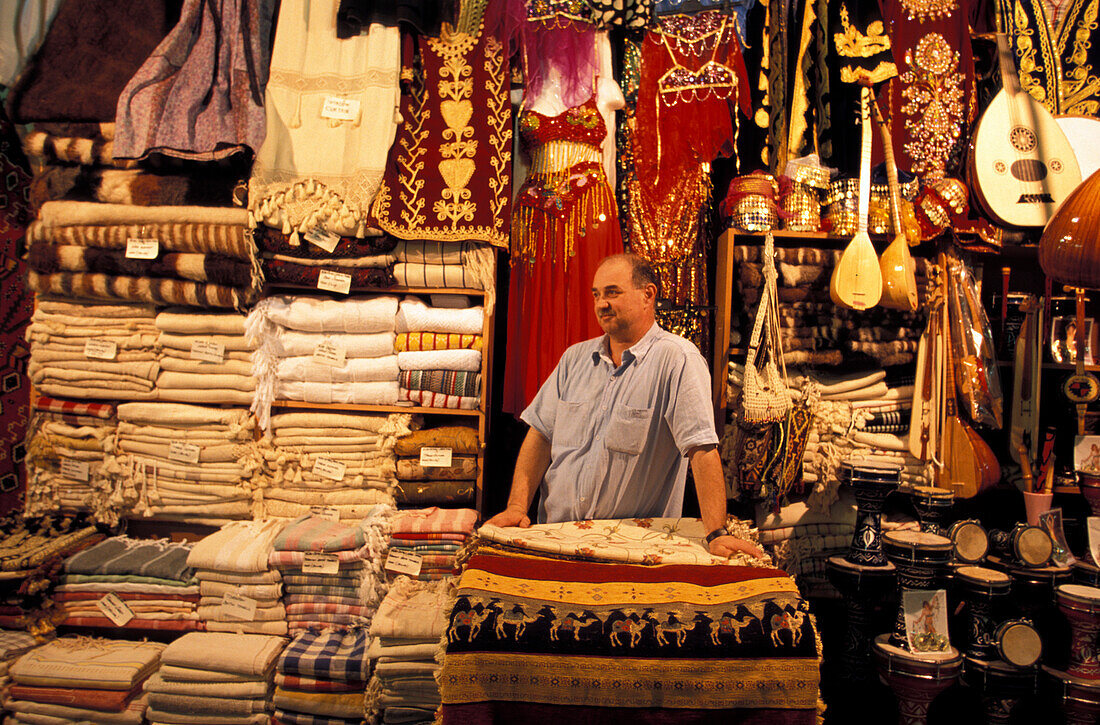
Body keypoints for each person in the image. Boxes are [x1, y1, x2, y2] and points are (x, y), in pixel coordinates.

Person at [487, 253, 763, 558]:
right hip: (554, 538)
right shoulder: (574, 360)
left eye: (612, 292)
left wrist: (716, 532)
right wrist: (516, 506)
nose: (601, 304)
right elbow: (540, 437)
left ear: (648, 295)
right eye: (596, 295)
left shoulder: (677, 360)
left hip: (628, 549)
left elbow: (701, 448)